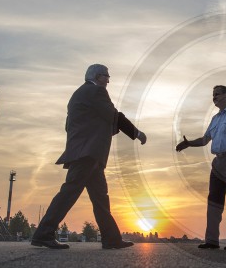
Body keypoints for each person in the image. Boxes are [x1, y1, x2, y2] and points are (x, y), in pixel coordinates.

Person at [31, 64, 147, 249]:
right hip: (88, 153)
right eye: (107, 76)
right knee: (69, 192)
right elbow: (114, 116)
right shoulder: (96, 92)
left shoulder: (78, 95)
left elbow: (73, 125)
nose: (108, 80)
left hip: (85, 152)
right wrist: (137, 133)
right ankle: (43, 233)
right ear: (98, 76)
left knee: (100, 197)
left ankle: (111, 239)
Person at [176, 85, 226, 251]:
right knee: (214, 202)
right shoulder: (215, 119)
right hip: (218, 163)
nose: (214, 97)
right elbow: (204, 140)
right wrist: (189, 143)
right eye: (213, 95)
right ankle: (211, 240)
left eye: (217, 94)